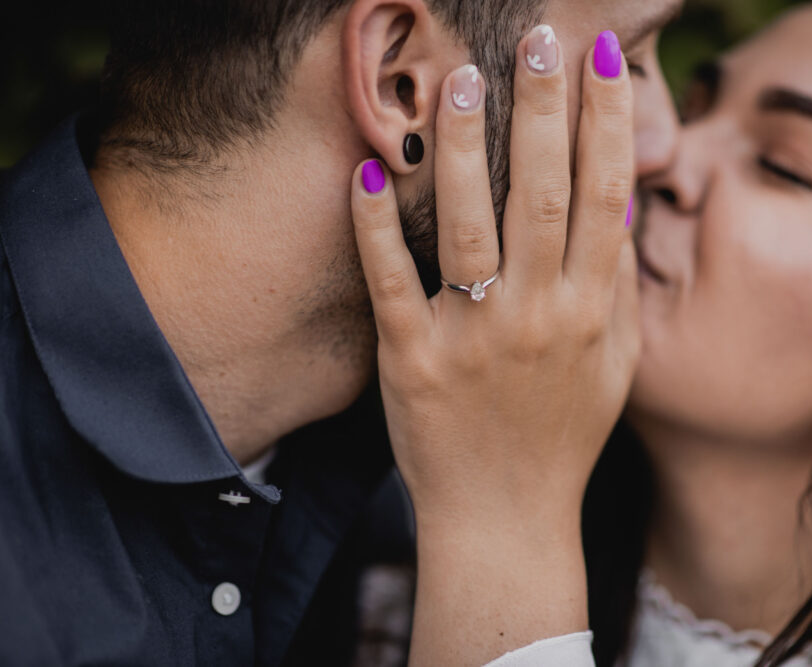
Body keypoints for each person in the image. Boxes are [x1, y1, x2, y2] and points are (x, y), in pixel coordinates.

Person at [0, 1, 681, 665]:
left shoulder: (414, 430)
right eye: (631, 57)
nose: (664, 144)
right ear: (400, 82)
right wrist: (510, 516)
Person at [351, 0, 812, 665]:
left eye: (784, 166)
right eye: (694, 109)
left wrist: (504, 519)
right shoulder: (369, 587)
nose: (661, 153)